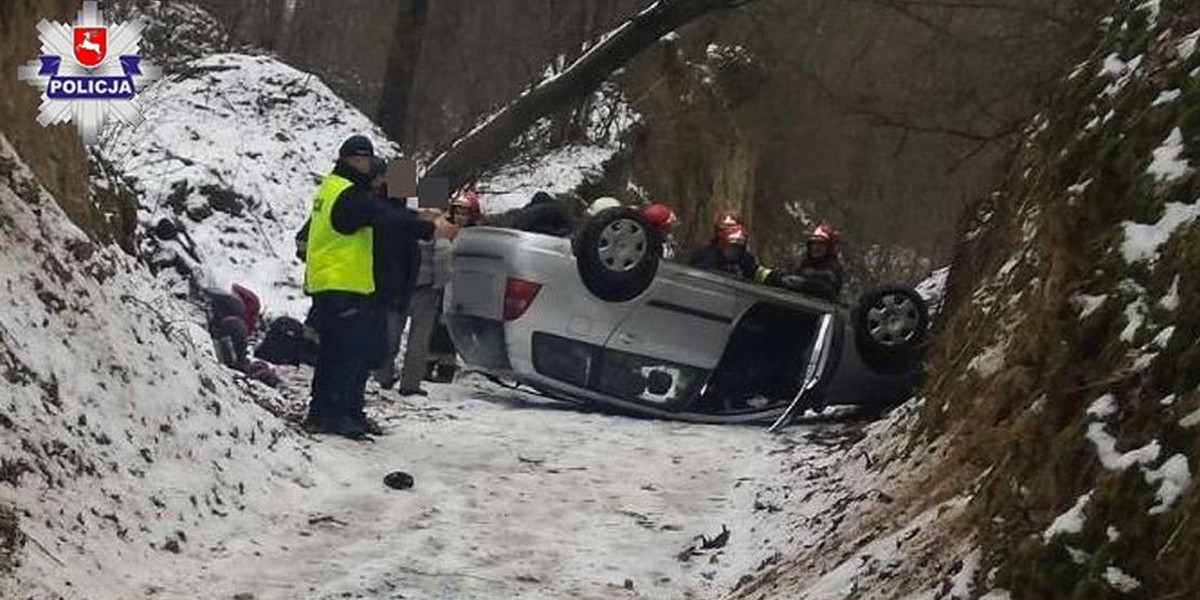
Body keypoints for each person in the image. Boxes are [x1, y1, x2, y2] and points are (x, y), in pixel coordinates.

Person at [302, 135, 453, 437]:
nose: (374, 171)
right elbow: (387, 218)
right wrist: (428, 226)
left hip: (345, 283)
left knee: (344, 353)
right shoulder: (350, 194)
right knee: (351, 353)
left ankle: (336, 412)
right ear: (357, 160)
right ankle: (337, 413)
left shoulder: (333, 188)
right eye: (370, 163)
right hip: (347, 284)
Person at [687, 211, 775, 284]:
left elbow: (756, 272)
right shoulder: (707, 257)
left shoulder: (744, 258)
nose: (734, 251)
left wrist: (775, 277)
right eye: (732, 247)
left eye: (739, 247)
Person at [788, 221, 845, 302]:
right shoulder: (802, 261)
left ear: (828, 248)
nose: (816, 248)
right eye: (814, 244)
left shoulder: (833, 268)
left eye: (821, 245)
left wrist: (804, 283)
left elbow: (827, 290)